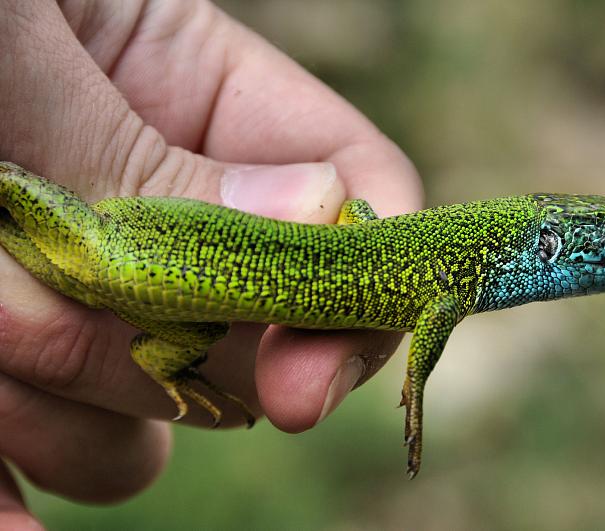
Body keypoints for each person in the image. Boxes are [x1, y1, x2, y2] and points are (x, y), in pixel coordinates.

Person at [0, 2, 422, 527]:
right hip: (107, 242)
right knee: (11, 183)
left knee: (203, 330)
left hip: (113, 295)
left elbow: (358, 212)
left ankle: (165, 364)